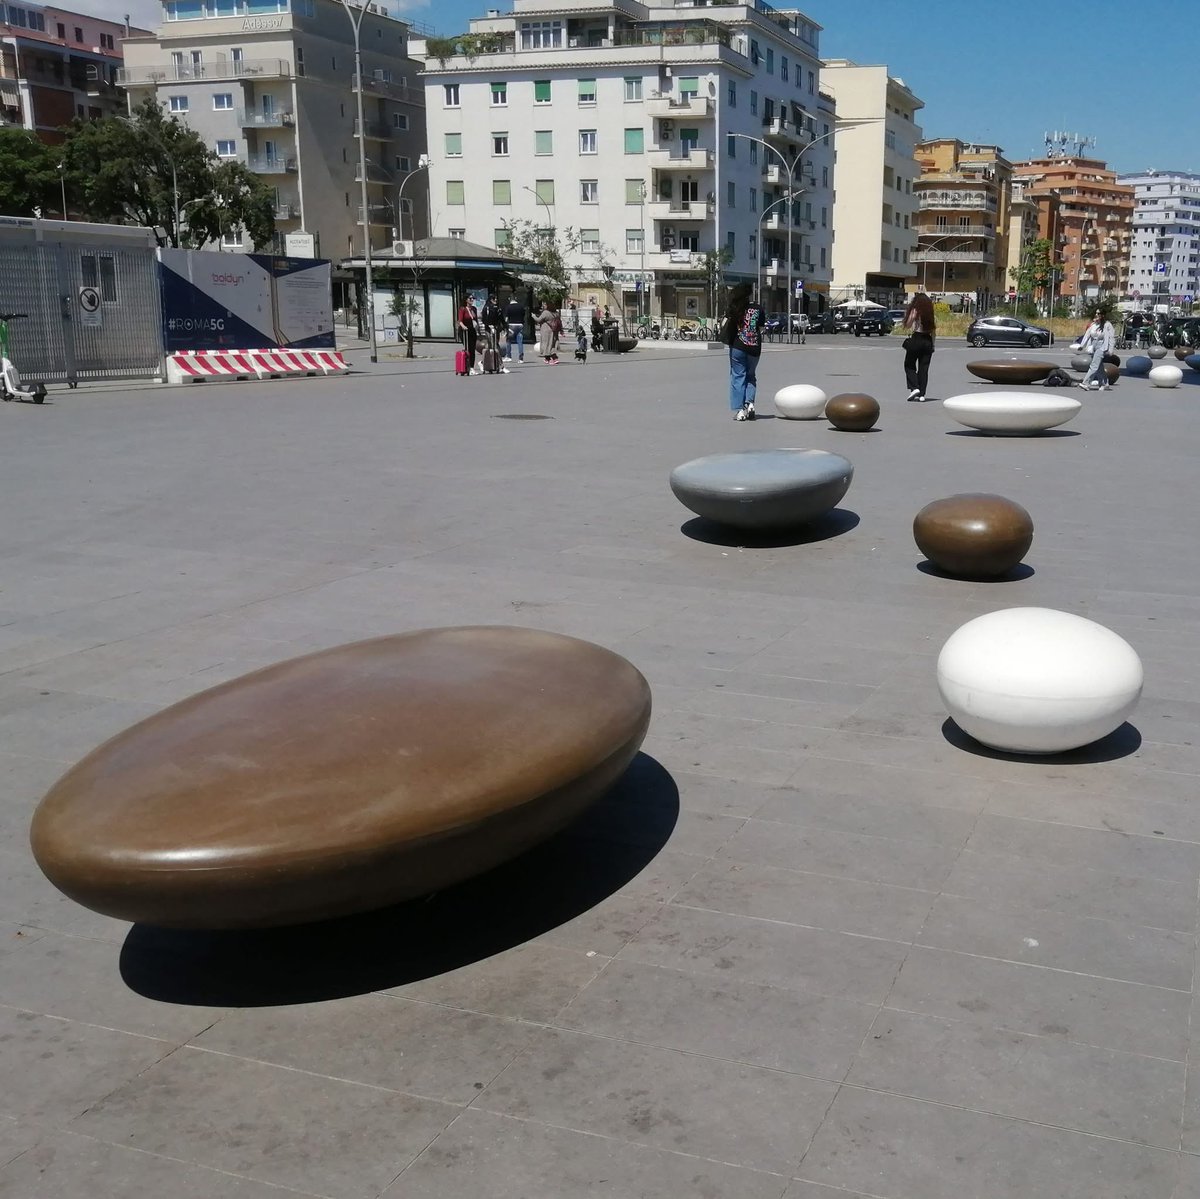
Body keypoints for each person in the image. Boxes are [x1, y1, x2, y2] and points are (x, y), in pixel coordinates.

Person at [722, 283, 765, 420]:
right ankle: (750, 403)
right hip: (754, 347)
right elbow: (761, 327)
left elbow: (724, 324)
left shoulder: (734, 308)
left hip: (738, 347)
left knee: (738, 376)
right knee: (751, 375)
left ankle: (740, 410)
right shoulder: (758, 308)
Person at [902, 292, 936, 402]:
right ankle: (922, 394)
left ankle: (914, 387)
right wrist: (933, 345)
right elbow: (933, 331)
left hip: (916, 338)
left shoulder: (915, 310)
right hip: (928, 340)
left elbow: (907, 324)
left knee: (909, 364)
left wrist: (909, 316)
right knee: (924, 368)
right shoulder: (930, 313)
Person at [1075, 309, 1115, 391]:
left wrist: (1110, 350)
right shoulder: (1093, 324)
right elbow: (1087, 335)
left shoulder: (1107, 325)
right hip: (1094, 346)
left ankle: (1086, 383)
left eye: (1098, 313)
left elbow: (1111, 338)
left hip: (1102, 346)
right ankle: (1104, 383)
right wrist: (1082, 345)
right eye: (1096, 313)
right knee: (1099, 366)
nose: (1096, 315)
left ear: (1102, 315)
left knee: (1094, 365)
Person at [457, 295, 480, 374]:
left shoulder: (474, 309)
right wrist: (464, 327)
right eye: (470, 298)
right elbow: (460, 321)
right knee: (468, 348)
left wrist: (478, 330)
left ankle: (472, 367)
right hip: (464, 330)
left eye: (473, 298)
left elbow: (475, 320)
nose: (472, 300)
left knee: (472, 349)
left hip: (472, 330)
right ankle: (467, 366)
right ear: (466, 300)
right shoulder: (462, 309)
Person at [503, 294, 526, 364]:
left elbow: (506, 319)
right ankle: (521, 358)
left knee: (508, 341)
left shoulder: (508, 307)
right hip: (520, 325)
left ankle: (508, 356)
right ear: (516, 298)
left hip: (511, 325)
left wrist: (505, 326)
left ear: (509, 299)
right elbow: (523, 315)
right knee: (520, 342)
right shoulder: (521, 307)